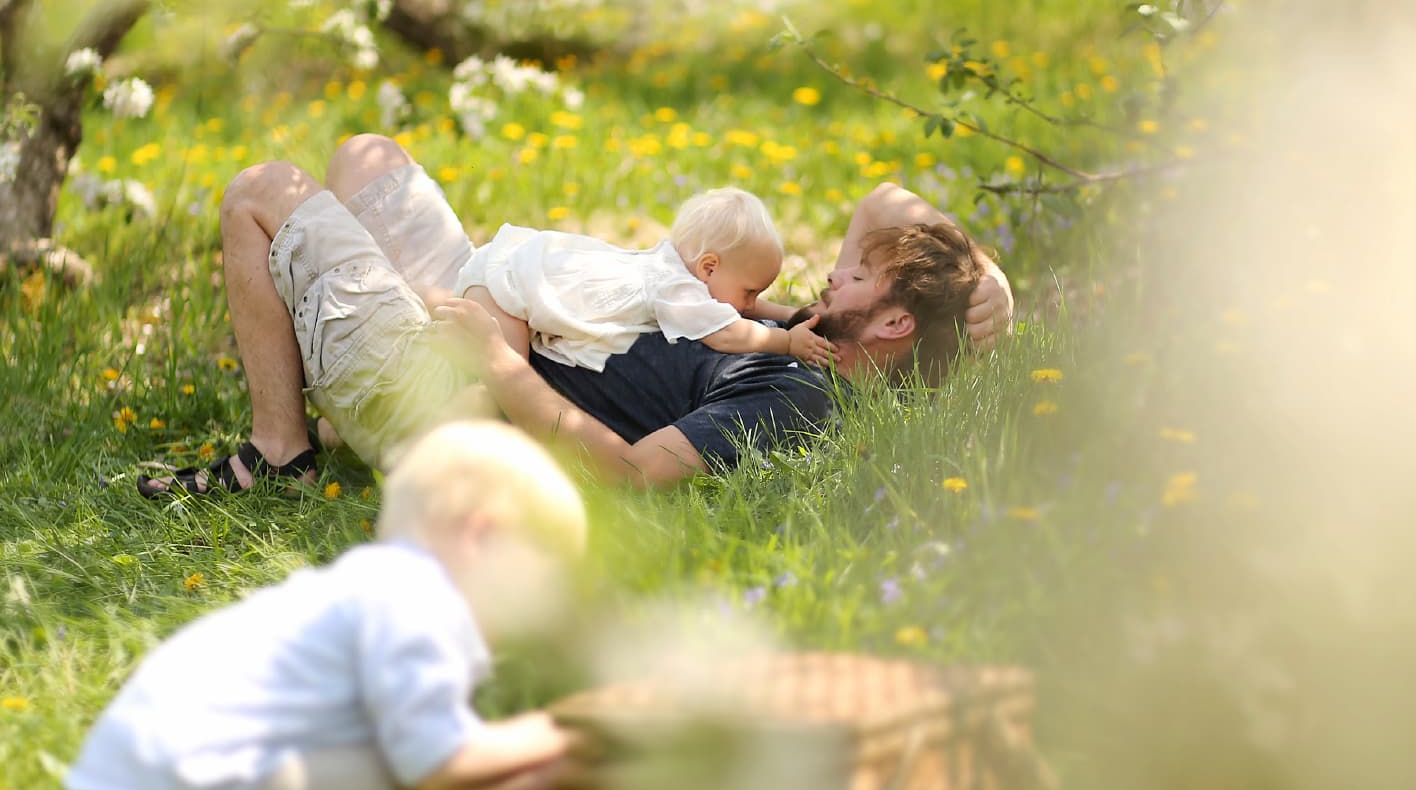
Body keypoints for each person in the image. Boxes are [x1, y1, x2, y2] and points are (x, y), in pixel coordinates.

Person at [136, 133, 1013, 495]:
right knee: (364, 157)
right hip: (503, 329)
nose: (838, 269)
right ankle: (321, 421)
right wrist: (986, 281)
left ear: (895, 326)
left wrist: (499, 364)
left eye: (858, 275)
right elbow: (883, 200)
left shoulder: (798, 397)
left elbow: (632, 474)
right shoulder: (812, 338)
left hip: (463, 403)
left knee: (260, 192)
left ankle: (279, 446)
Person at [72, 421, 586, 790]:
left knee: (384, 773)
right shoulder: (419, 603)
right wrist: (567, 730)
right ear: (483, 534)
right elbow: (436, 768)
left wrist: (556, 776)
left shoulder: (376, 586)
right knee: (386, 781)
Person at [460, 186, 836, 371]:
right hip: (505, 291)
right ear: (708, 267)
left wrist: (790, 314)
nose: (752, 304)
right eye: (750, 291)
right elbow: (726, 332)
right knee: (506, 379)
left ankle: (436, 304)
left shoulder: (675, 266)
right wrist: (786, 342)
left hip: (509, 269)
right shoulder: (676, 289)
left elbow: (739, 307)